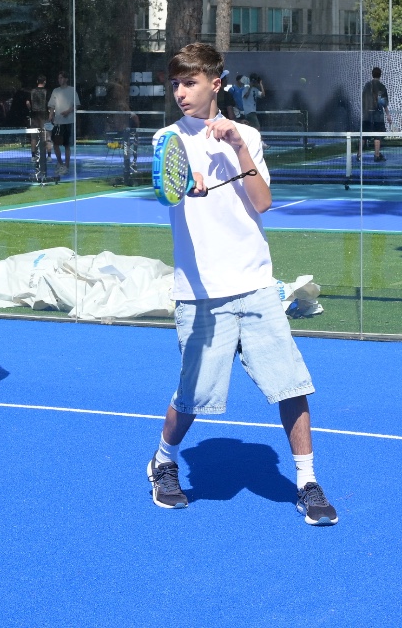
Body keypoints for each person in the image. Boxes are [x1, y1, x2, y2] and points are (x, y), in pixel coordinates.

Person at [145, 43, 336, 526]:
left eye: (189, 83)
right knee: (193, 395)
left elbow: (263, 201)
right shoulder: (165, 137)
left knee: (290, 384)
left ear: (216, 82)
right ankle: (165, 459)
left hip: (255, 284)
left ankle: (307, 482)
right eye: (175, 84)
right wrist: (190, 183)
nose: (180, 93)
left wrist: (237, 148)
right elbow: (170, 184)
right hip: (199, 291)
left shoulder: (246, 134)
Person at [48, 71, 79, 170]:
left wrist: (68, 111)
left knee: (67, 145)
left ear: (66, 79)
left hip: (69, 122)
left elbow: (76, 105)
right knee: (55, 144)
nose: (60, 80)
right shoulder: (55, 91)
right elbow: (52, 106)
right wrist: (50, 115)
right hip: (58, 122)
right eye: (59, 78)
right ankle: (60, 163)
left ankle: (67, 165)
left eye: (61, 78)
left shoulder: (72, 90)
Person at [360, 67, 389, 161]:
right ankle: (376, 155)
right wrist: (388, 115)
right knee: (378, 135)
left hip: (367, 115)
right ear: (380, 75)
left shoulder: (366, 86)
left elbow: (363, 100)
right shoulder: (382, 87)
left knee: (364, 135)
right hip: (378, 115)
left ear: (372, 74)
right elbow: (384, 103)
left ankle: (359, 154)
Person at [29, 74, 50, 164]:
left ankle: (33, 156)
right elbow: (50, 105)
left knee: (34, 138)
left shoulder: (32, 91)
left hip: (34, 117)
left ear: (37, 82)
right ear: (44, 81)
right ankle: (48, 156)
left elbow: (27, 103)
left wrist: (31, 110)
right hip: (44, 117)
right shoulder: (47, 92)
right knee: (47, 137)